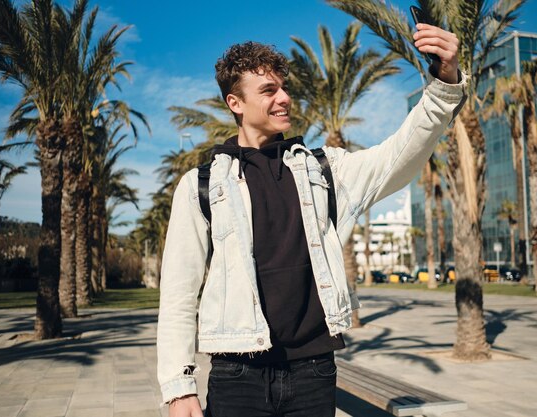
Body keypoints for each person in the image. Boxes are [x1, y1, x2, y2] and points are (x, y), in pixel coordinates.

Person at [157, 23, 465, 417]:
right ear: (235, 102)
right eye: (268, 91)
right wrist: (180, 388)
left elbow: (399, 156)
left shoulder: (324, 169)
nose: (284, 98)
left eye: (284, 87)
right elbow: (178, 295)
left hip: (314, 373)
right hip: (238, 377)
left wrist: (444, 83)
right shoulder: (201, 185)